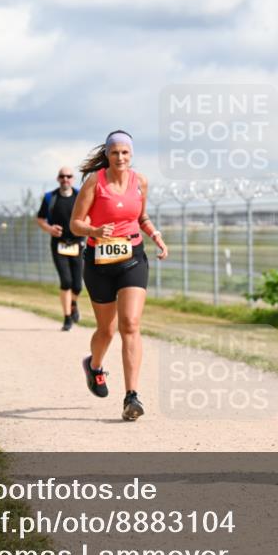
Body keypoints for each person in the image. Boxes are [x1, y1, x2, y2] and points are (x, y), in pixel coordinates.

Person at [70, 130, 168, 421]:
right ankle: (95, 366)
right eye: (115, 153)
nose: (121, 157)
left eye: (125, 152)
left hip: (132, 258)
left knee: (130, 324)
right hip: (99, 262)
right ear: (108, 155)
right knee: (107, 330)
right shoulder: (94, 182)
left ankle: (131, 397)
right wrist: (94, 231)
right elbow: (75, 224)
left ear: (132, 154)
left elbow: (141, 218)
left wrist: (156, 236)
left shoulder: (141, 182)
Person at [37, 166, 85, 331]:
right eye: (62, 176)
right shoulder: (50, 198)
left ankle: (73, 303)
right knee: (66, 281)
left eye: (69, 176)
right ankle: (66, 318)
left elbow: (89, 215)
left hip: (78, 243)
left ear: (73, 179)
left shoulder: (80, 196)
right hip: (59, 244)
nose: (65, 179)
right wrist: (49, 229)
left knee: (77, 285)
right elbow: (40, 219)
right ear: (58, 178)